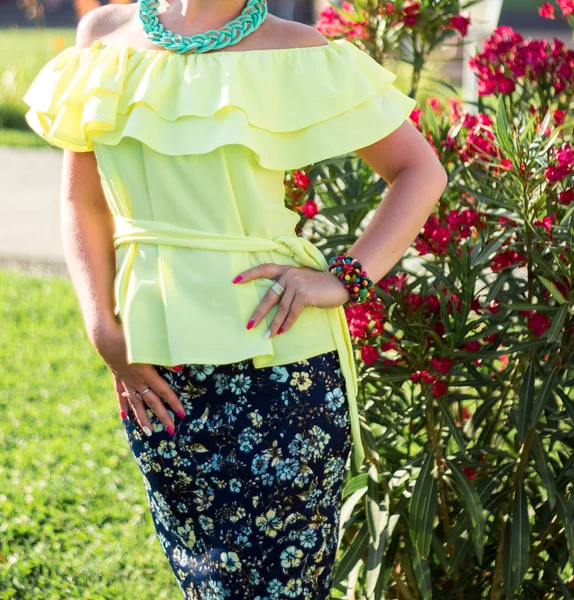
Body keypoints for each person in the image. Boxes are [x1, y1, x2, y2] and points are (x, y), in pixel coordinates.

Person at [22, 0, 447, 598]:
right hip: (158, 370)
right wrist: (102, 327)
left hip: (281, 372)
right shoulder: (103, 37)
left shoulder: (297, 50)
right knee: (203, 581)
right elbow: (83, 202)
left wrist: (342, 278)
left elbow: (419, 171)